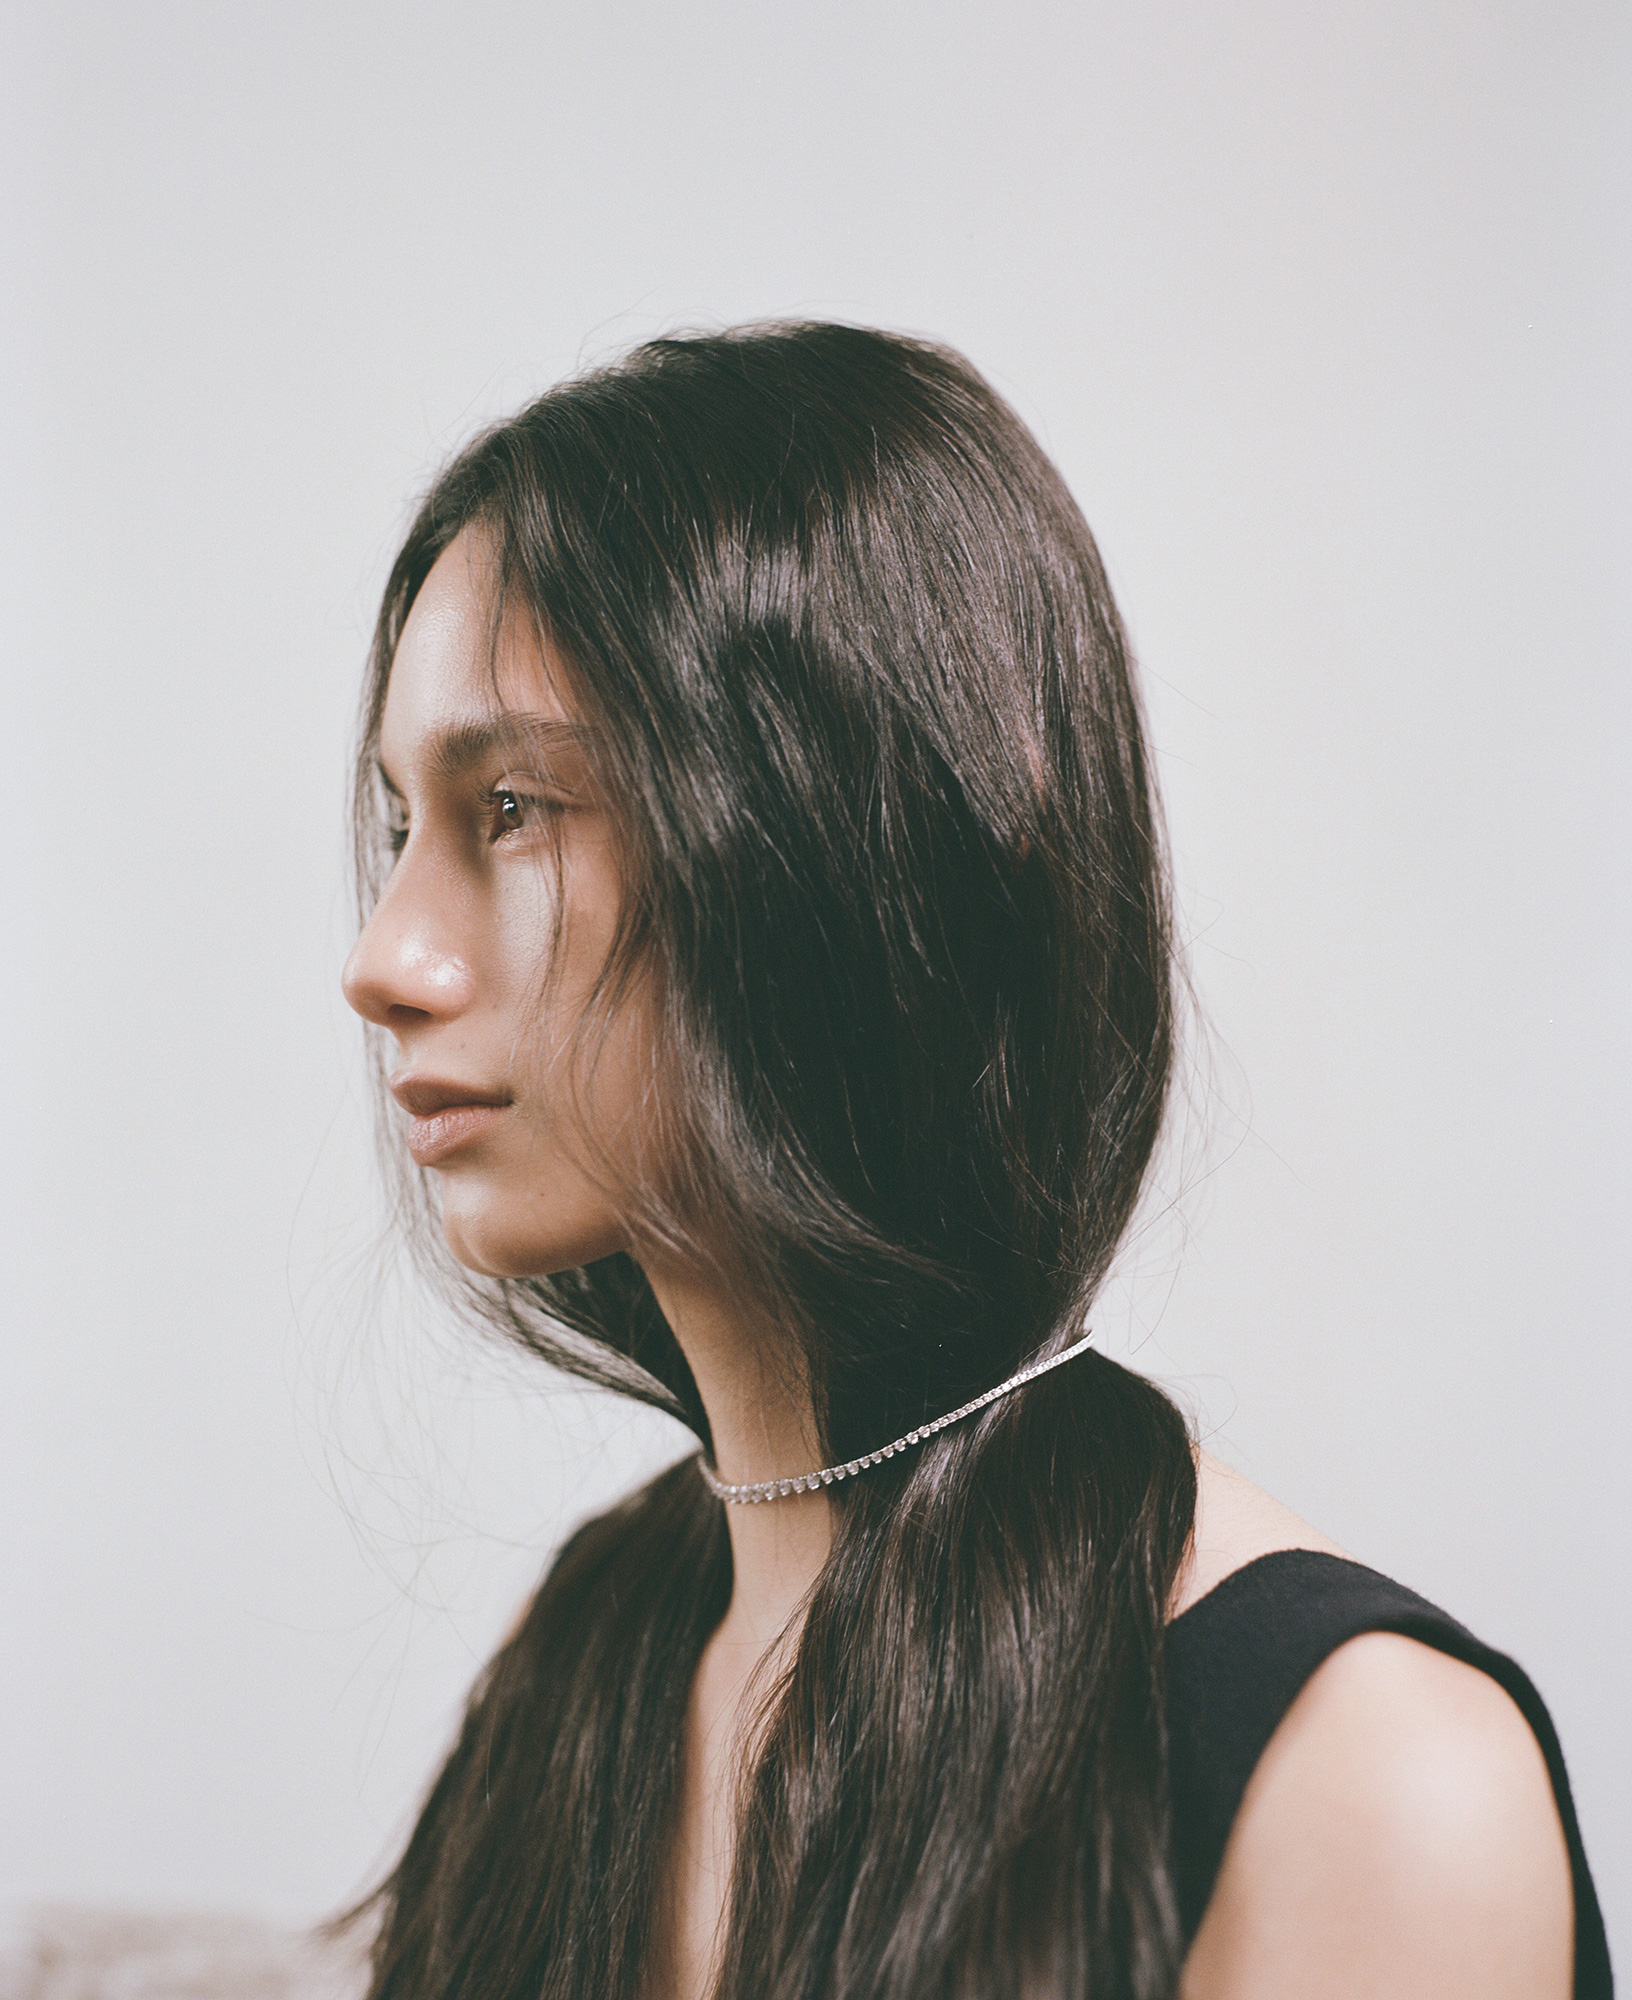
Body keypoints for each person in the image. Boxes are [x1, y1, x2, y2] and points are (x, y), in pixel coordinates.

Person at [339, 322, 1610, 2000]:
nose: (384, 958)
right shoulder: (585, 1666)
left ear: (835, 836)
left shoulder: (1366, 1784)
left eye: (510, 807)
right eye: (400, 825)